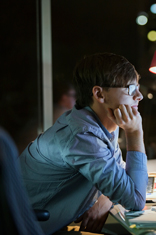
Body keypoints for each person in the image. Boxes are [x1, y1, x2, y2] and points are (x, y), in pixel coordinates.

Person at [19, 53, 147, 234]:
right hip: (32, 229)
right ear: (99, 93)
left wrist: (106, 198)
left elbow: (117, 171)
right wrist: (135, 133)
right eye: (131, 88)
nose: (139, 96)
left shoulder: (99, 122)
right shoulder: (83, 136)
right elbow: (135, 200)